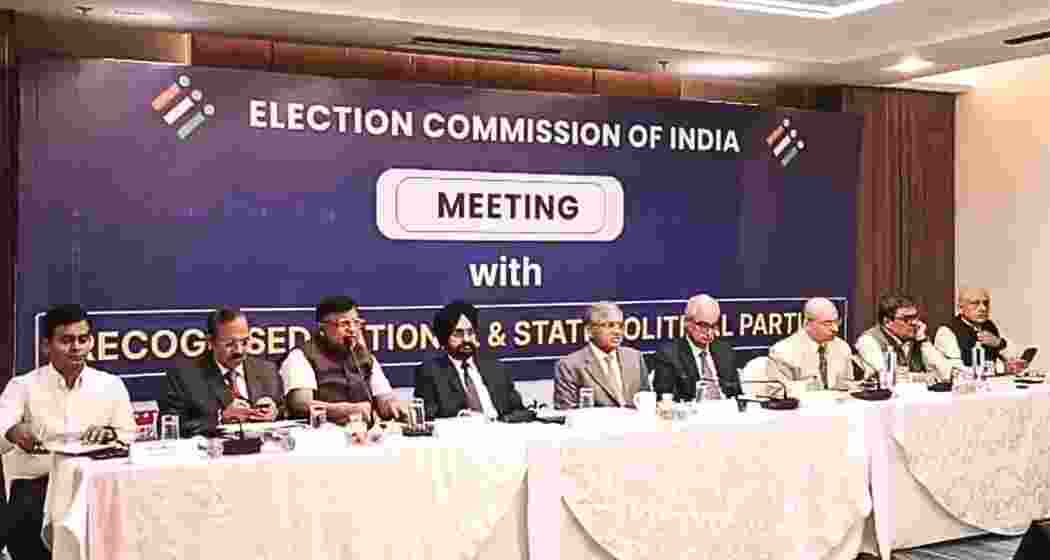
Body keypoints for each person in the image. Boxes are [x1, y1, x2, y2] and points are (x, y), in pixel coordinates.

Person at [0, 305, 135, 560]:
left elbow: (128, 435)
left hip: (93, 488)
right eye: (66, 340)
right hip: (36, 489)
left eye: (83, 339)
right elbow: (1, 428)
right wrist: (14, 432)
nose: (76, 348)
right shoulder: (23, 386)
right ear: (46, 345)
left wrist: (109, 435)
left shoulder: (110, 385)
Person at [279, 296, 404, 424]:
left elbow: (384, 397)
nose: (352, 329)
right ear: (323, 328)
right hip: (320, 435)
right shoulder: (301, 355)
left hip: (363, 435)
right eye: (344, 324)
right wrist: (347, 410)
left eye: (356, 322)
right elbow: (300, 405)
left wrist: (392, 406)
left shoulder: (364, 356)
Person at [162, 308, 282, 437]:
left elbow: (285, 411)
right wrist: (220, 419)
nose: (239, 351)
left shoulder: (266, 370)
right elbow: (172, 425)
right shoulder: (184, 376)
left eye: (245, 342)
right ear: (210, 342)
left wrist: (275, 412)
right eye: (230, 344)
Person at [413, 301, 526, 420]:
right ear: (444, 337)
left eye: (470, 332)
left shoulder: (497, 369)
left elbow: (520, 410)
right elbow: (428, 418)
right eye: (458, 333)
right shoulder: (430, 373)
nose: (466, 339)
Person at [554, 301, 650, 409]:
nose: (617, 332)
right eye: (609, 325)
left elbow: (647, 403)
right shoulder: (569, 366)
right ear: (590, 331)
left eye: (620, 326)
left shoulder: (635, 358)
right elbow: (567, 413)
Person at [650, 294, 740, 401]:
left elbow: (737, 395)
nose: (709, 332)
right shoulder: (669, 355)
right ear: (687, 323)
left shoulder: (725, 351)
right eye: (703, 325)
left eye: (713, 326)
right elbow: (665, 399)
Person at [766, 297, 854, 392]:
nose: (835, 329)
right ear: (807, 324)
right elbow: (776, 391)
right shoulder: (782, 351)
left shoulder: (843, 348)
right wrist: (808, 387)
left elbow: (848, 386)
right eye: (827, 323)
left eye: (837, 322)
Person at [855, 294, 950, 382]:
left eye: (915, 317)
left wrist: (923, 340)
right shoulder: (868, 340)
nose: (914, 323)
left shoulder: (918, 338)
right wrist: (925, 377)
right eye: (907, 319)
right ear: (887, 322)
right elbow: (887, 376)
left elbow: (945, 373)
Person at [934, 287, 1026, 373]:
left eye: (986, 303)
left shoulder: (990, 325)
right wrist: (1002, 368)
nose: (983, 308)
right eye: (975, 303)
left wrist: (998, 343)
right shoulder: (946, 331)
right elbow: (957, 369)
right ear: (961, 308)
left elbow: (1015, 357)